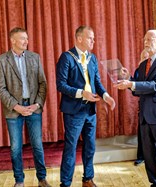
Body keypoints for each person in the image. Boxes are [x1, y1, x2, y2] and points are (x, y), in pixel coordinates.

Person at [114, 29, 156, 187]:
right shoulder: (143, 65)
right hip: (145, 116)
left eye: (149, 39)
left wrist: (131, 83)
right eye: (144, 39)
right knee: (149, 155)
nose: (146, 42)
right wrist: (128, 79)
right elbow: (138, 89)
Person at [56, 25, 116, 187]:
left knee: (90, 146)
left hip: (90, 110)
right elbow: (60, 85)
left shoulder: (93, 58)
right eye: (90, 38)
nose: (93, 41)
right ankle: (65, 183)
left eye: (93, 38)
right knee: (71, 147)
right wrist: (82, 93)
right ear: (79, 38)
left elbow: (96, 81)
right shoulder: (66, 57)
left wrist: (106, 96)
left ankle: (87, 178)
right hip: (73, 111)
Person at [0, 27, 51, 187]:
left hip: (34, 107)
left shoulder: (35, 57)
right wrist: (16, 106)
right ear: (12, 40)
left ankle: (42, 179)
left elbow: (43, 83)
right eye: (22, 39)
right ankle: (19, 181)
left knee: (38, 145)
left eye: (27, 38)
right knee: (15, 148)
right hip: (13, 110)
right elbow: (0, 88)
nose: (26, 41)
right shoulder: (1, 60)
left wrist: (38, 104)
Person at [134, 49, 149, 166]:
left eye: (146, 56)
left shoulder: (154, 69)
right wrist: (128, 78)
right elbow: (136, 91)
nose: (144, 58)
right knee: (141, 133)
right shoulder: (138, 70)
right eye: (143, 56)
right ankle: (141, 156)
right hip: (143, 106)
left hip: (154, 108)